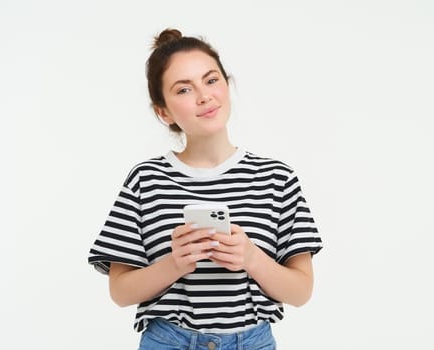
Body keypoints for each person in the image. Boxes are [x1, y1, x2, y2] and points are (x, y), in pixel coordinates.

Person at [87, 28, 323, 350]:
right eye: (183, 89)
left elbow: (301, 291)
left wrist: (252, 257)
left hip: (252, 342)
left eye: (211, 80)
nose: (203, 96)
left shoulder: (276, 178)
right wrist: (175, 263)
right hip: (167, 341)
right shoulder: (146, 180)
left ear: (226, 84)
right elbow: (120, 292)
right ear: (163, 111)